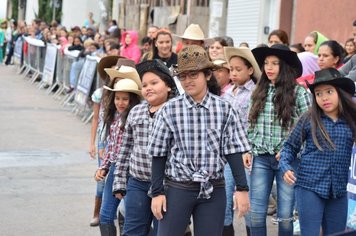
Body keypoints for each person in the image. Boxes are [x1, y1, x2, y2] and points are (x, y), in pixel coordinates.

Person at [147, 45, 251, 236]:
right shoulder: (169, 110)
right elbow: (158, 153)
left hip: (214, 189)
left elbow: (233, 150)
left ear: (207, 75)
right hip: (178, 188)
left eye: (194, 74)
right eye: (183, 76)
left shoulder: (224, 109)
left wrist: (242, 188)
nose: (188, 80)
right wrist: (157, 192)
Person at [279, 68, 356, 236]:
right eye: (319, 94)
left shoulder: (351, 120)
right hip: (309, 187)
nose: (324, 98)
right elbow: (289, 148)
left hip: (338, 190)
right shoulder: (308, 119)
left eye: (329, 92)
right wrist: (286, 167)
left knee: (337, 234)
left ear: (340, 93)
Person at [247, 44, 311, 235]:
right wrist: (247, 148)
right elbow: (250, 125)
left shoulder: (299, 93)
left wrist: (292, 151)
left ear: (285, 67)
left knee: (285, 216)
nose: (269, 67)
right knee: (256, 214)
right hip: (261, 158)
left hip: (288, 161)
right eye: (266, 63)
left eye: (275, 63)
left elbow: (310, 129)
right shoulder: (259, 91)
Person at [113, 59, 178, 236]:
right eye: (144, 85)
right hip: (137, 183)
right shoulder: (136, 112)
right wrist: (119, 181)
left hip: (168, 186)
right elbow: (125, 149)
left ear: (169, 86)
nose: (148, 87)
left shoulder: (177, 113)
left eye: (154, 83)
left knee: (163, 232)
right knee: (132, 230)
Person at [94, 65, 142, 236]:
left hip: (132, 172)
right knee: (105, 215)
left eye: (125, 99)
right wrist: (104, 167)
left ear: (133, 100)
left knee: (131, 215)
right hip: (114, 169)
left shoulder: (136, 118)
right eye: (117, 98)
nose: (120, 103)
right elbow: (111, 148)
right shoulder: (113, 118)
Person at [223, 46, 261, 236]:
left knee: (247, 205)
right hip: (226, 155)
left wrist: (250, 151)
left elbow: (255, 125)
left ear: (250, 70)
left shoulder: (256, 93)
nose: (234, 73)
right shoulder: (228, 92)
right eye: (231, 69)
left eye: (238, 69)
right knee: (224, 202)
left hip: (246, 155)